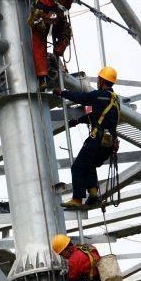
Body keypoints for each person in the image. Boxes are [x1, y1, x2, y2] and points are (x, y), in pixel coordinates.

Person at [54, 66, 120, 209]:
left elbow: (82, 98)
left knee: (78, 167)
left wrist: (62, 93)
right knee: (89, 165)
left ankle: (77, 199)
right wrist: (78, 121)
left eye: (99, 79)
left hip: (97, 140)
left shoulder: (98, 95)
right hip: (109, 143)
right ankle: (94, 195)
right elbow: (97, 116)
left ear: (102, 81)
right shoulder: (115, 100)